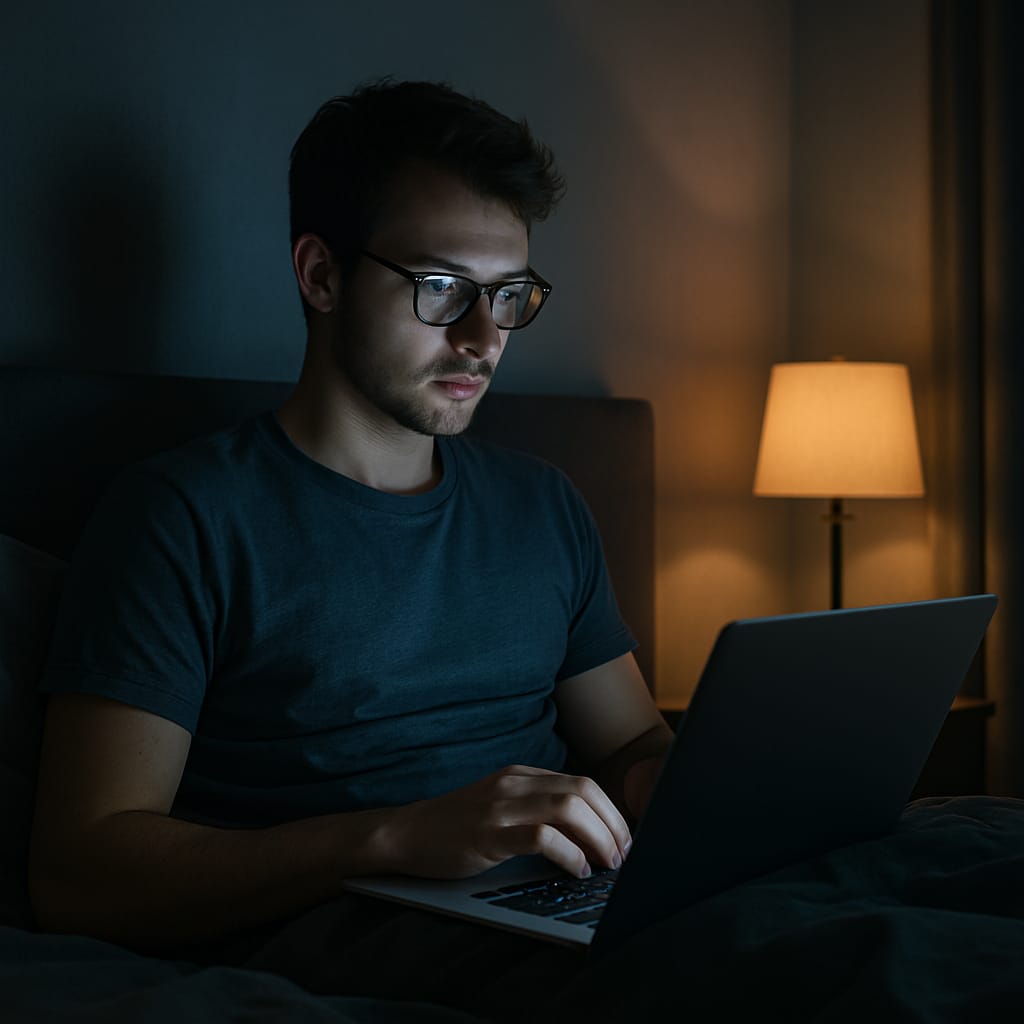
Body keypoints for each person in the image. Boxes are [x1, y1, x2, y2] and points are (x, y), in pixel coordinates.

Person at [29, 80, 673, 998]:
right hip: (358, 942)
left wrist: (704, 791)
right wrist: (398, 836)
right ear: (322, 274)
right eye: (443, 288)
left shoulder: (544, 506)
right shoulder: (184, 516)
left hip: (571, 904)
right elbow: (78, 873)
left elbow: (633, 745)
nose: (485, 338)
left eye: (510, 294)